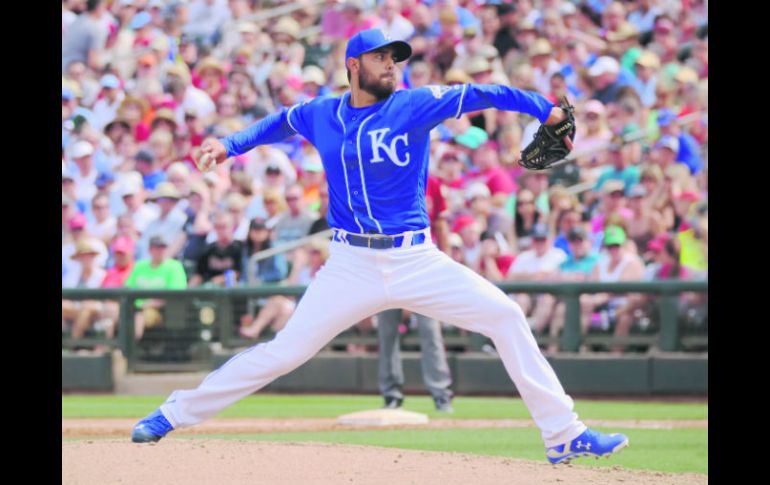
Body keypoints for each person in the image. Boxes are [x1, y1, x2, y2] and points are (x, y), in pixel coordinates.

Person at [132, 28, 629, 464]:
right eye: (381, 57)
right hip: (350, 264)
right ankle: (172, 413)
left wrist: (543, 107)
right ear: (354, 65)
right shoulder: (322, 113)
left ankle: (564, 434)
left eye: (396, 57)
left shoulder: (414, 103)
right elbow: (279, 122)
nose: (392, 64)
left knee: (504, 316)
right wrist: (230, 144)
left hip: (415, 258)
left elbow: (485, 92)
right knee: (285, 352)